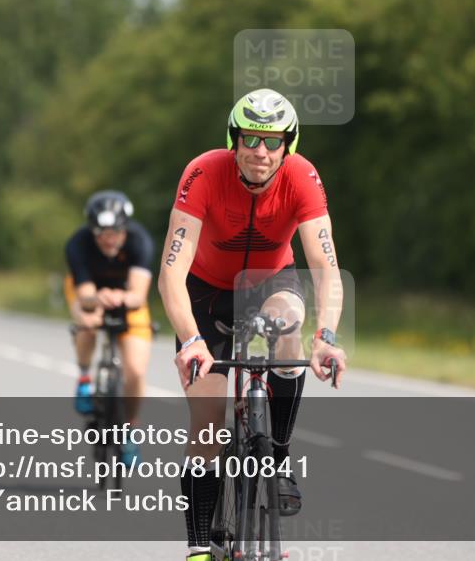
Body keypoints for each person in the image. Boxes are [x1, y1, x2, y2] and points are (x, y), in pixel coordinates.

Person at [158, 88, 349, 561]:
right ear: (234, 139)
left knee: (290, 325)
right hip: (205, 293)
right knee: (207, 424)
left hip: (270, 284)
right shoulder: (202, 172)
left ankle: (278, 457)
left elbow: (325, 269)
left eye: (272, 142)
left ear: (289, 144)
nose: (260, 152)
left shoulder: (303, 178)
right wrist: (193, 342)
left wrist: (326, 337)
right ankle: (200, 547)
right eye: (250, 139)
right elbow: (170, 274)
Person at [64, 190, 154, 465]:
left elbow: (138, 294)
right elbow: (85, 294)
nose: (108, 238)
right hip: (91, 295)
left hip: (127, 298)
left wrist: (122, 298)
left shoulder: (140, 241)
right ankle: (83, 379)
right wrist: (96, 300)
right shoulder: (77, 244)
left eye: (115, 230)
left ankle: (130, 427)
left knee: (136, 371)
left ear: (124, 227)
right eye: (101, 231)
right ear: (91, 230)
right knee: (88, 323)